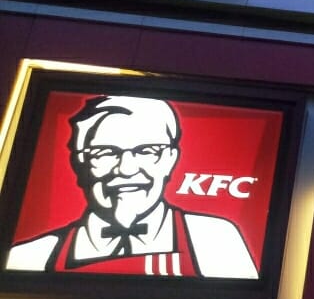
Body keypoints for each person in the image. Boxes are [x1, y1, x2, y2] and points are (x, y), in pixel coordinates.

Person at [5, 96, 259, 278]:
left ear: (170, 159)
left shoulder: (214, 239)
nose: (126, 169)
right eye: (106, 153)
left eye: (147, 151)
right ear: (80, 163)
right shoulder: (32, 256)